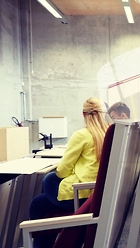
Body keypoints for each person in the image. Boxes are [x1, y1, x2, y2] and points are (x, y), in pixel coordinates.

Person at [29, 98, 110, 248]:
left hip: (80, 194)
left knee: (42, 191)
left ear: (83, 114)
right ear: (102, 114)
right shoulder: (110, 132)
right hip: (98, 194)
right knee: (45, 194)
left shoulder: (81, 134)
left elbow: (63, 170)